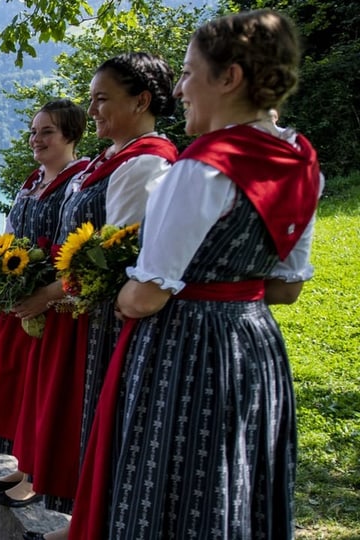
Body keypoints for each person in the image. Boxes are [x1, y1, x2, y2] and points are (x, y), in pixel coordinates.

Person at [70, 10, 321, 539]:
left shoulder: (202, 166)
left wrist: (120, 297)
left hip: (183, 350)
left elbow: (147, 296)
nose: (179, 89)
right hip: (253, 346)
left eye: (188, 73)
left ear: (228, 78)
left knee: (169, 485)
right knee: (238, 480)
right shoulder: (301, 162)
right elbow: (287, 287)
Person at [18, 52, 179, 540]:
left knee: (106, 423)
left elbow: (115, 258)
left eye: (102, 100)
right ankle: (87, 520)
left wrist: (49, 294)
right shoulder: (113, 159)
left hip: (110, 315)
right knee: (87, 420)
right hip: (83, 310)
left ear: (142, 100)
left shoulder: (146, 163)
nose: (92, 112)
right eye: (91, 100)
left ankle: (97, 524)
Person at [0, 100, 90, 507]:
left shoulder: (77, 180)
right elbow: (11, 231)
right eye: (34, 132)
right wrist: (0, 269)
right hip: (21, 290)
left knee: (43, 390)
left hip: (54, 299)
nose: (36, 139)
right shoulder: (33, 180)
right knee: (21, 386)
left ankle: (37, 476)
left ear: (71, 134)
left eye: (47, 131)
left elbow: (73, 245)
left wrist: (44, 286)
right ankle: (24, 463)